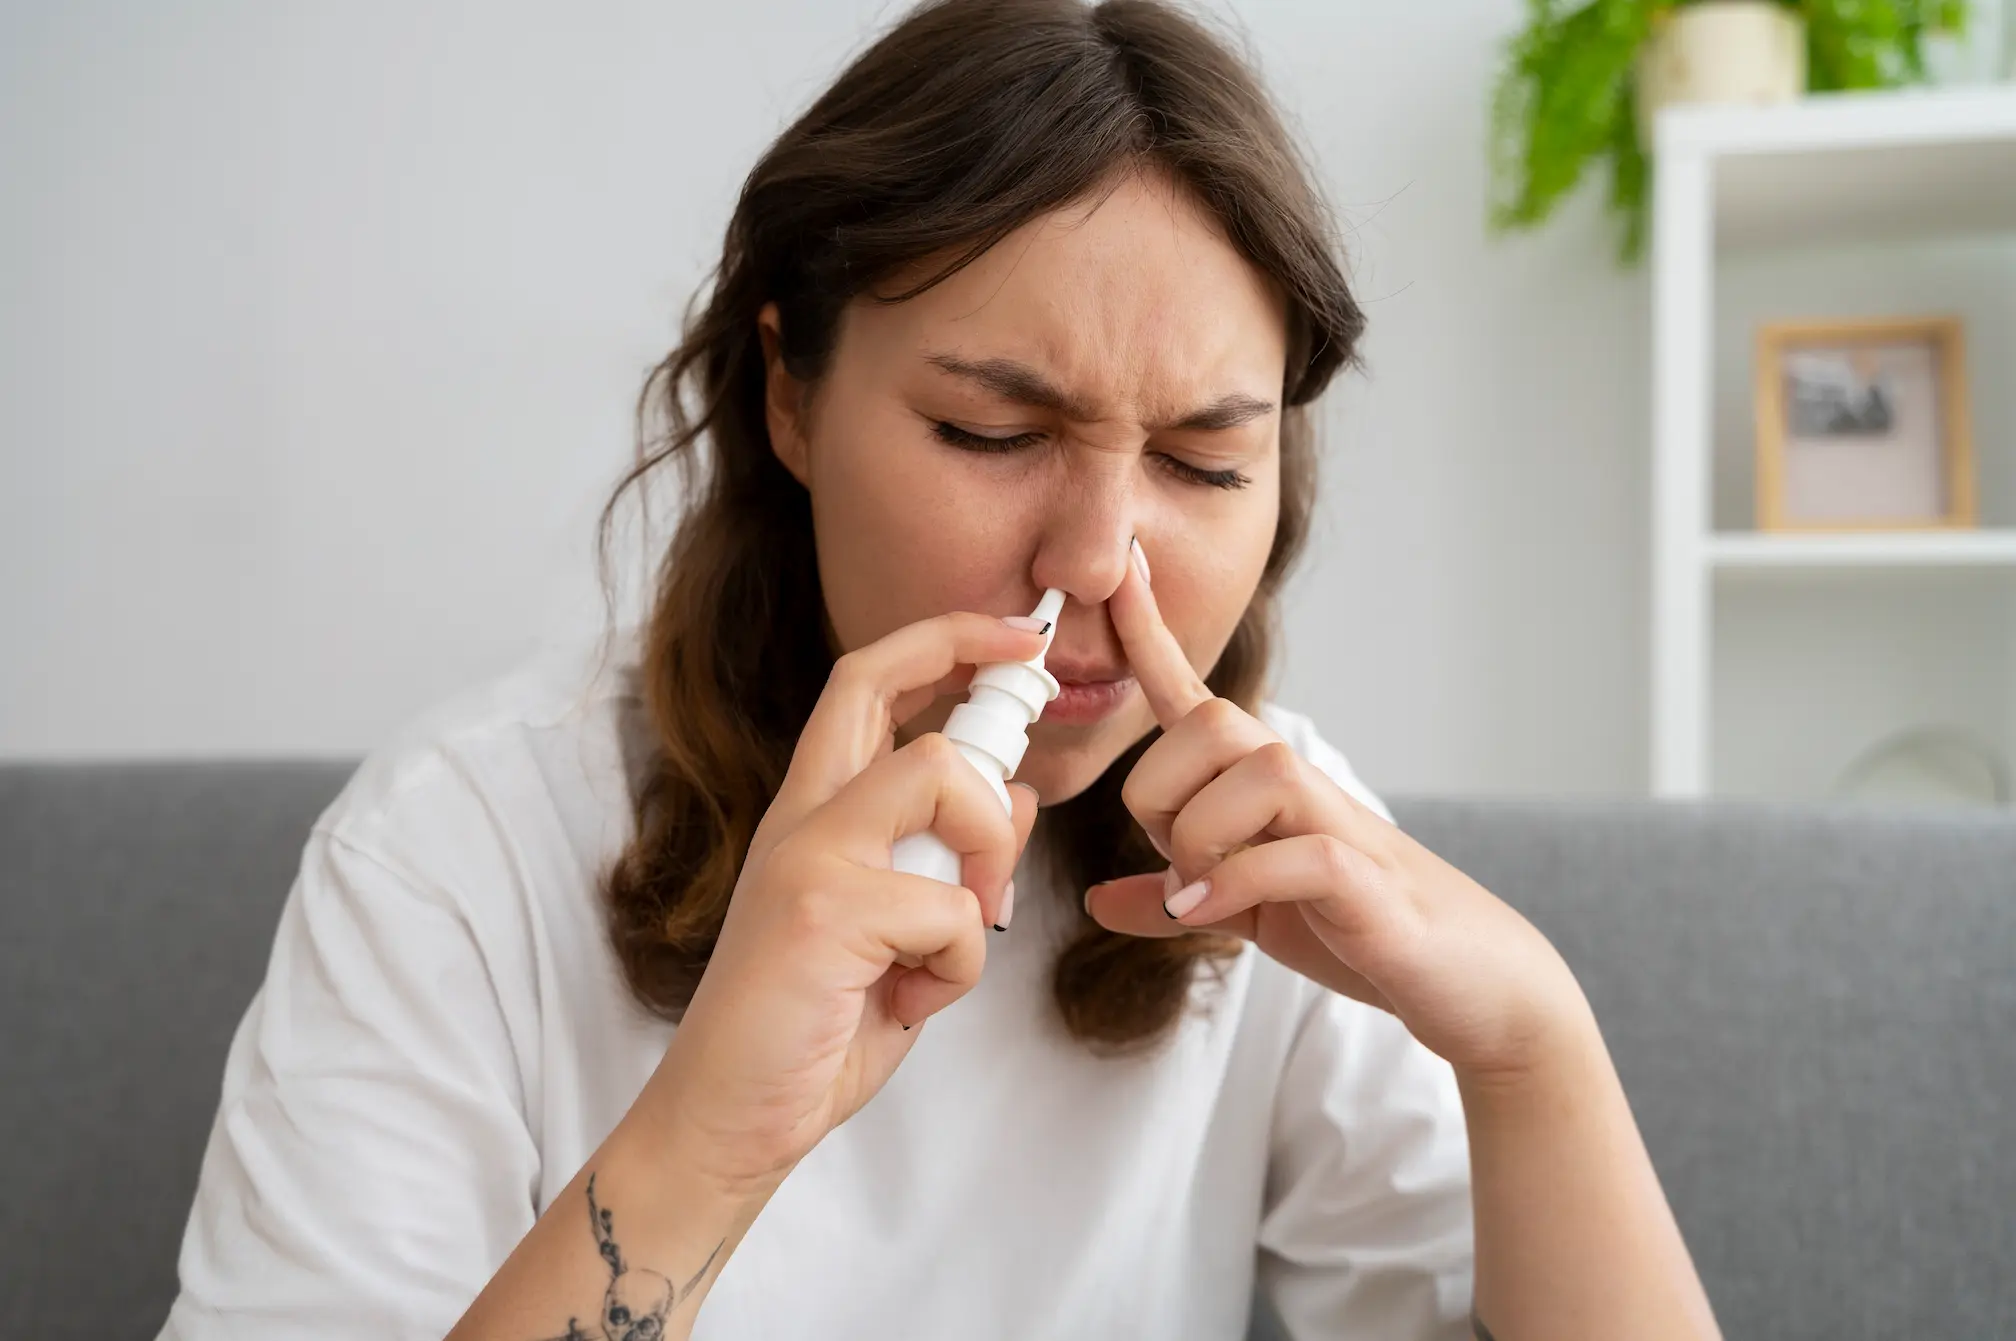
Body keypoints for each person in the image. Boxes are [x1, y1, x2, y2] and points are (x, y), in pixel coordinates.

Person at [159, 2, 1720, 1338]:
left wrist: (1535, 1052)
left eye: (1201, 460)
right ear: (788, 396)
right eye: (992, 434)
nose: (1098, 559)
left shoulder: (1287, 874)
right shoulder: (457, 854)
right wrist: (710, 1138)